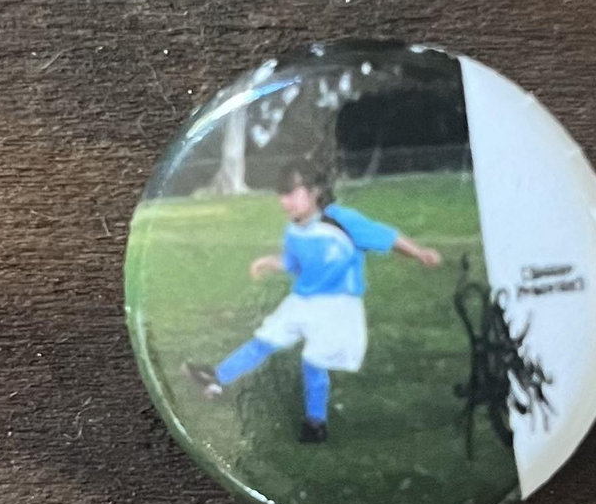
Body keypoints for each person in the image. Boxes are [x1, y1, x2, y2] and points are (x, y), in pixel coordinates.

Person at [183, 160, 442, 442]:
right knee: (265, 339)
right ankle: (216, 378)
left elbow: (387, 237)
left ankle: (315, 423)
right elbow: (295, 263)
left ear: (314, 191)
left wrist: (420, 253)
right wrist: (272, 262)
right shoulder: (294, 230)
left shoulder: (340, 221)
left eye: (292, 193)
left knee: (314, 360)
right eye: (282, 195)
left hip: (338, 305)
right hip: (303, 300)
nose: (285, 202)